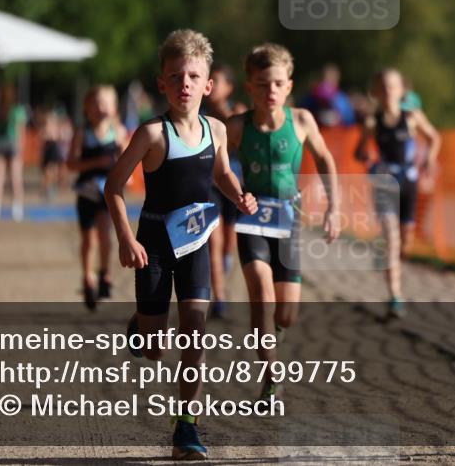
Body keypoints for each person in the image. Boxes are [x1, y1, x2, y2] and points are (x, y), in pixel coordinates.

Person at [105, 30, 256, 461]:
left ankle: (186, 426)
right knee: (154, 347)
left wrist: (239, 195)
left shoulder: (218, 130)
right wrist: (126, 238)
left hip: (196, 244)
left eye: (193, 76)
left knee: (195, 332)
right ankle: (141, 325)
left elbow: (222, 174)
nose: (184, 83)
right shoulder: (152, 134)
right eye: (175, 76)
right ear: (162, 84)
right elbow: (114, 187)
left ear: (208, 85)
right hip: (152, 244)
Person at [226, 43, 340, 402]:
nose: (270, 91)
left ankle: (274, 328)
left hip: (289, 219)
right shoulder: (237, 127)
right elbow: (212, 164)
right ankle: (271, 374)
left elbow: (325, 160)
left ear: (289, 86)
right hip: (252, 220)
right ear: (249, 87)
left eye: (277, 83)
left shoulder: (302, 121)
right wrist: (231, 194)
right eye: (261, 84)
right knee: (261, 291)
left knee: (286, 314)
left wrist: (334, 207)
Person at [354, 68, 440, 318]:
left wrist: (429, 161)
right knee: (391, 239)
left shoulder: (412, 117)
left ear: (402, 90)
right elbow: (359, 152)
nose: (388, 91)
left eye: (393, 86)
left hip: (409, 183)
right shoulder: (373, 122)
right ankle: (395, 295)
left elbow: (434, 138)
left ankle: (392, 259)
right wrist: (368, 158)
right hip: (385, 183)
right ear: (376, 92)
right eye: (383, 87)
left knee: (405, 243)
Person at [67, 86, 127, 311]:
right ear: (87, 108)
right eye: (96, 104)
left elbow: (126, 160)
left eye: (105, 103)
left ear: (114, 108)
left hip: (108, 192)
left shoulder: (119, 131)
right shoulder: (82, 133)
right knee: (88, 239)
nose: (101, 108)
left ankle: (106, 273)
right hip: (86, 191)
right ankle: (87, 276)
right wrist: (96, 163)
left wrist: (123, 172)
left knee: (106, 235)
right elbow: (70, 164)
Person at [201, 64, 248, 320]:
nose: (212, 85)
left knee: (229, 244)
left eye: (216, 80)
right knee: (214, 243)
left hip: (235, 185)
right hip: (209, 185)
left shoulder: (240, 115)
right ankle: (219, 297)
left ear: (229, 88)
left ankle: (222, 272)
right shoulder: (199, 115)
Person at [0, 84, 28, 222]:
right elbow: (20, 130)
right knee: (16, 177)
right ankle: (17, 208)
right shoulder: (18, 110)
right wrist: (21, 148)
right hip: (13, 143)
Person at [298, 63, 355, 127]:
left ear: (337, 80)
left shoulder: (343, 100)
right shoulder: (310, 98)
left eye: (330, 78)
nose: (326, 81)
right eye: (324, 77)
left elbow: (350, 123)